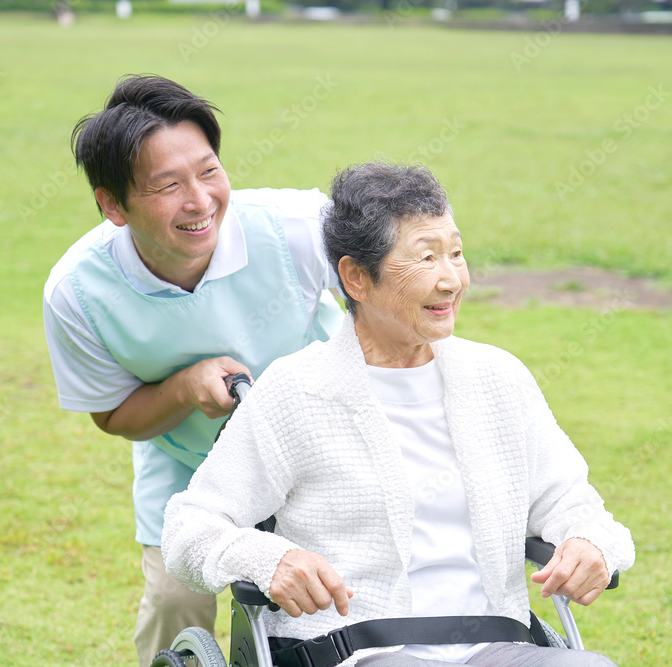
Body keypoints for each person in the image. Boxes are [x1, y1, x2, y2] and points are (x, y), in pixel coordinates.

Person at [162, 162, 634, 667]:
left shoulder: (499, 379)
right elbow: (190, 526)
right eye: (427, 258)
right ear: (356, 278)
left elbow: (569, 501)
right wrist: (268, 558)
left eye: (456, 253)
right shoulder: (296, 392)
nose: (452, 279)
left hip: (498, 646)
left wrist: (589, 541)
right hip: (356, 651)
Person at [42, 75, 343, 667]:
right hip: (187, 465)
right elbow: (114, 415)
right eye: (167, 185)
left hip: (321, 448)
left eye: (208, 172)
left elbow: (397, 293)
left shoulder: (301, 228)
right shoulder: (76, 292)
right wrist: (183, 387)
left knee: (338, 597)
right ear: (112, 205)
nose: (200, 201)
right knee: (173, 602)